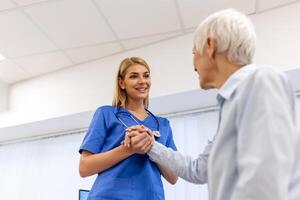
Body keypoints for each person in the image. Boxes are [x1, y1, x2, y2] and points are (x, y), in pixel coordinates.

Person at [124, 9, 300, 200]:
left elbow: (266, 182)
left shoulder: (261, 81)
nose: (194, 64)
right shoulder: (231, 106)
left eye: (194, 52)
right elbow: (198, 170)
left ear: (209, 46)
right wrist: (150, 145)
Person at [78, 57, 178, 200]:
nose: (142, 81)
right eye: (134, 76)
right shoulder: (106, 114)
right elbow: (84, 168)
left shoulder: (163, 125)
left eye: (146, 75)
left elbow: (173, 177)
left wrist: (152, 146)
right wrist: (129, 149)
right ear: (121, 83)